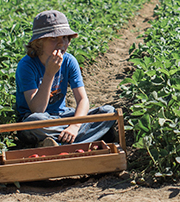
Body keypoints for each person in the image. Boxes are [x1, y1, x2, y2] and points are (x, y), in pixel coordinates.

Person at [15, 10, 115, 146]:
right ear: (38, 42)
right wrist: (49, 74)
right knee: (34, 122)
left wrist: (74, 126)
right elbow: (37, 109)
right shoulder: (26, 65)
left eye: (65, 38)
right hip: (39, 121)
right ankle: (85, 138)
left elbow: (83, 100)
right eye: (53, 38)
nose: (61, 43)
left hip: (63, 117)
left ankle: (57, 142)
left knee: (108, 112)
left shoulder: (69, 61)